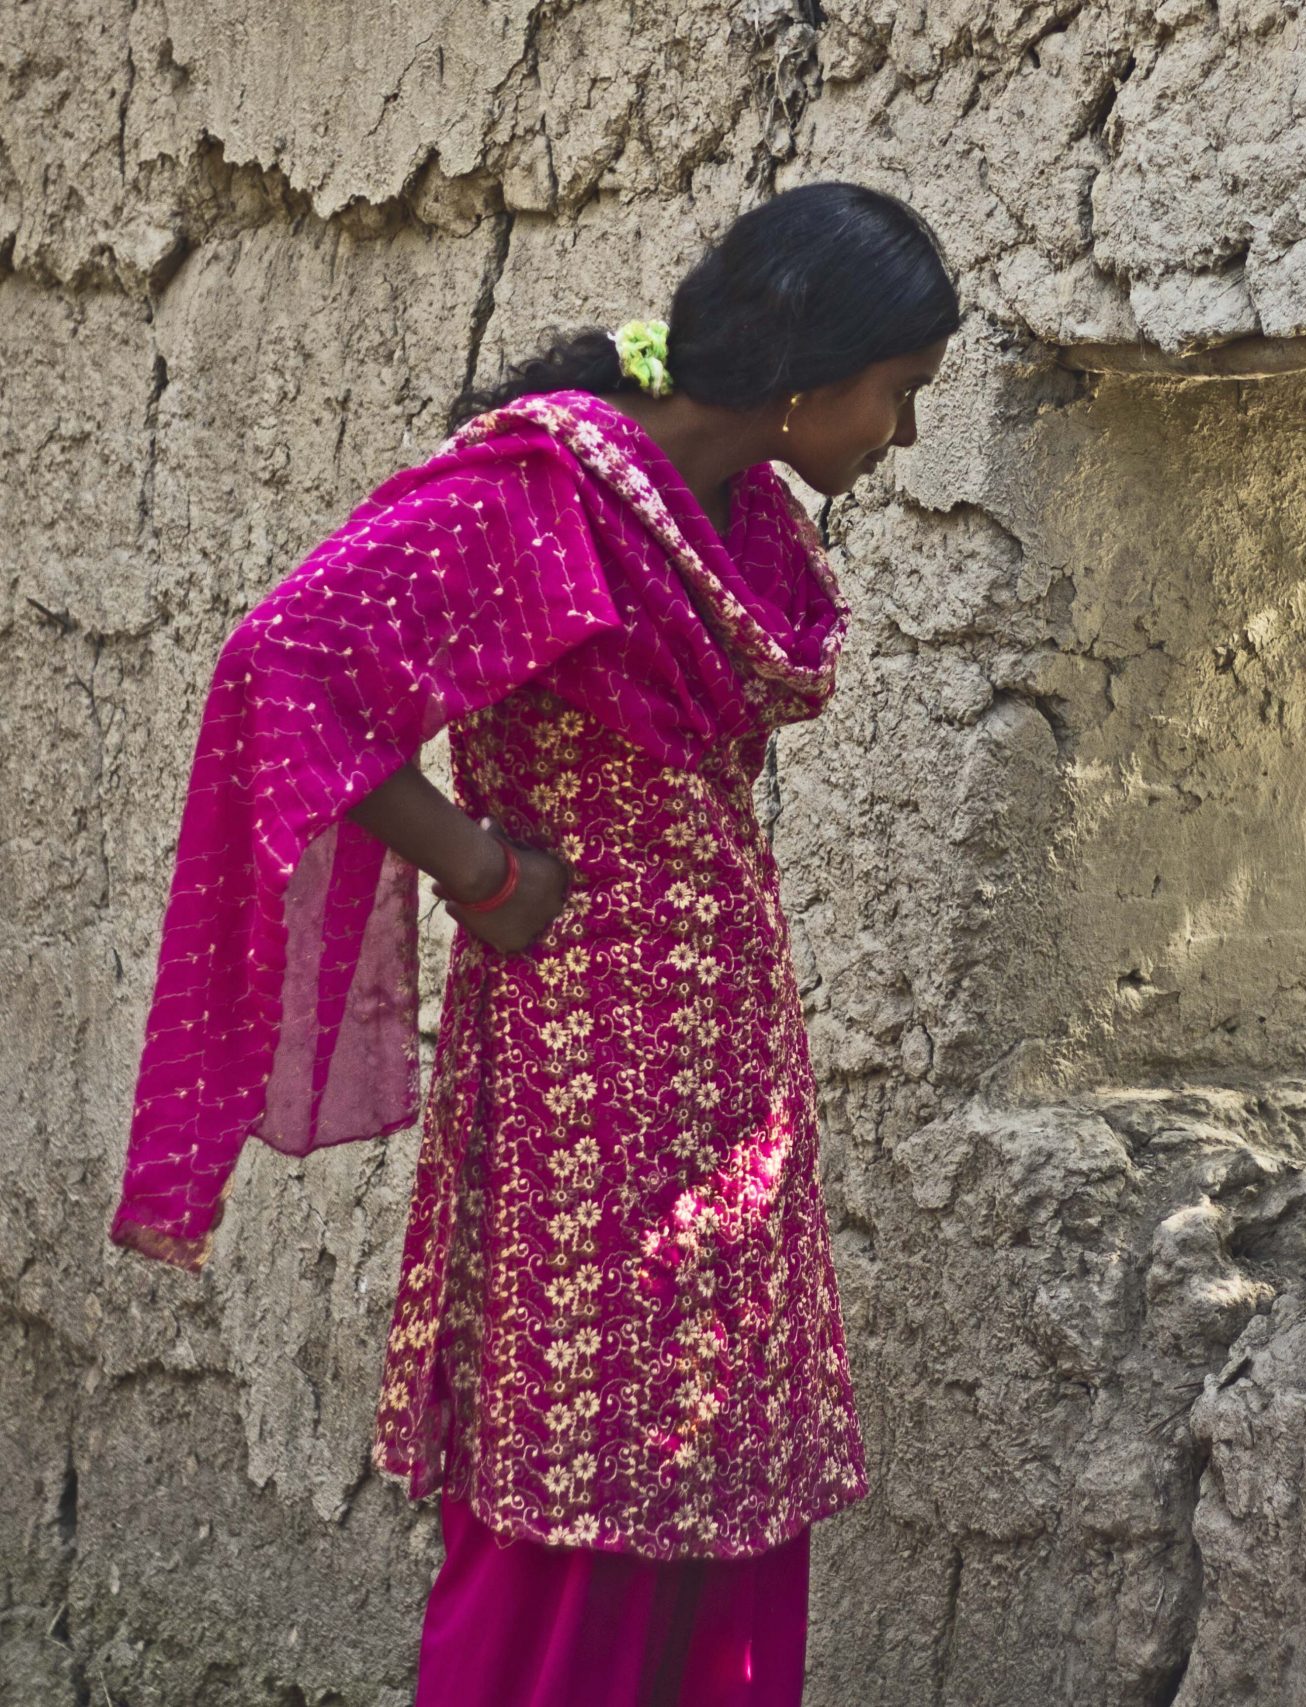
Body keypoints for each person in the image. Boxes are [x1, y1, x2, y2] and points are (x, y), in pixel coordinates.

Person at [105, 180, 960, 1704]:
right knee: (582, 1452)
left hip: (720, 1076)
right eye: (898, 397)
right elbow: (283, 663)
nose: (900, 438)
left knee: (713, 1449)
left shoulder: (728, 511)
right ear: (808, 378)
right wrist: (479, 867)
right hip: (582, 1063)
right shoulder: (535, 500)